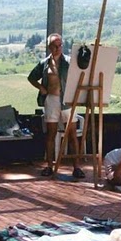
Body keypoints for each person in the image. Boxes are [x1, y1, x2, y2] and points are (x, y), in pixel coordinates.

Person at [28, 33, 84, 179]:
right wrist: (41, 88)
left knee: (72, 134)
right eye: (55, 46)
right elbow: (31, 77)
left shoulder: (69, 62)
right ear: (49, 47)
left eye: (60, 45)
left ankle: (77, 167)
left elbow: (81, 74)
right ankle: (49, 166)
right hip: (51, 100)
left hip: (67, 101)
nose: (58, 48)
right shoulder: (44, 63)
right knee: (50, 134)